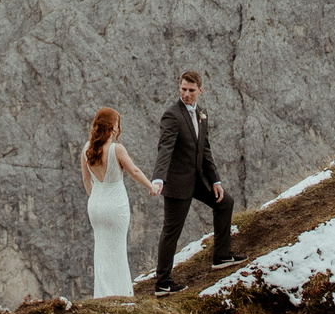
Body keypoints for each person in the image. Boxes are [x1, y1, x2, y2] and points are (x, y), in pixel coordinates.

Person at [151, 69, 237, 295]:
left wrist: (215, 180)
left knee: (225, 203)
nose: (186, 94)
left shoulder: (201, 113)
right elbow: (165, 149)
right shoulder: (172, 115)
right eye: (183, 89)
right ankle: (162, 283)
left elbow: (205, 150)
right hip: (177, 183)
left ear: (200, 90)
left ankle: (221, 256)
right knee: (171, 231)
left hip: (198, 179)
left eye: (191, 90)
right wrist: (159, 178)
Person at [79, 106, 159, 298]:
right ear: (113, 127)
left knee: (101, 251)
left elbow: (86, 179)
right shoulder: (116, 149)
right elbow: (134, 171)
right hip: (115, 206)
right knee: (117, 250)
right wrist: (151, 186)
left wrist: (96, 198)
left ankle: (103, 294)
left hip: (96, 205)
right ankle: (121, 294)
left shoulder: (86, 149)